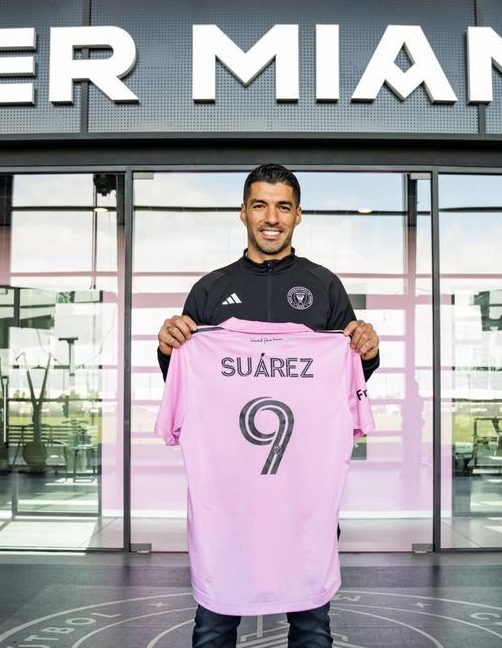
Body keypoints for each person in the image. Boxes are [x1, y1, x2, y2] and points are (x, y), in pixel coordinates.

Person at [157, 163, 380, 648]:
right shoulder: (210, 290)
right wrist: (169, 346)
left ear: (298, 215)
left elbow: (349, 379)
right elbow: (186, 381)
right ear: (243, 213)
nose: (271, 217)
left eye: (282, 206)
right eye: (260, 205)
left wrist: (368, 348)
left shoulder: (324, 287)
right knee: (215, 622)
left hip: (305, 499)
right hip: (229, 502)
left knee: (311, 624)